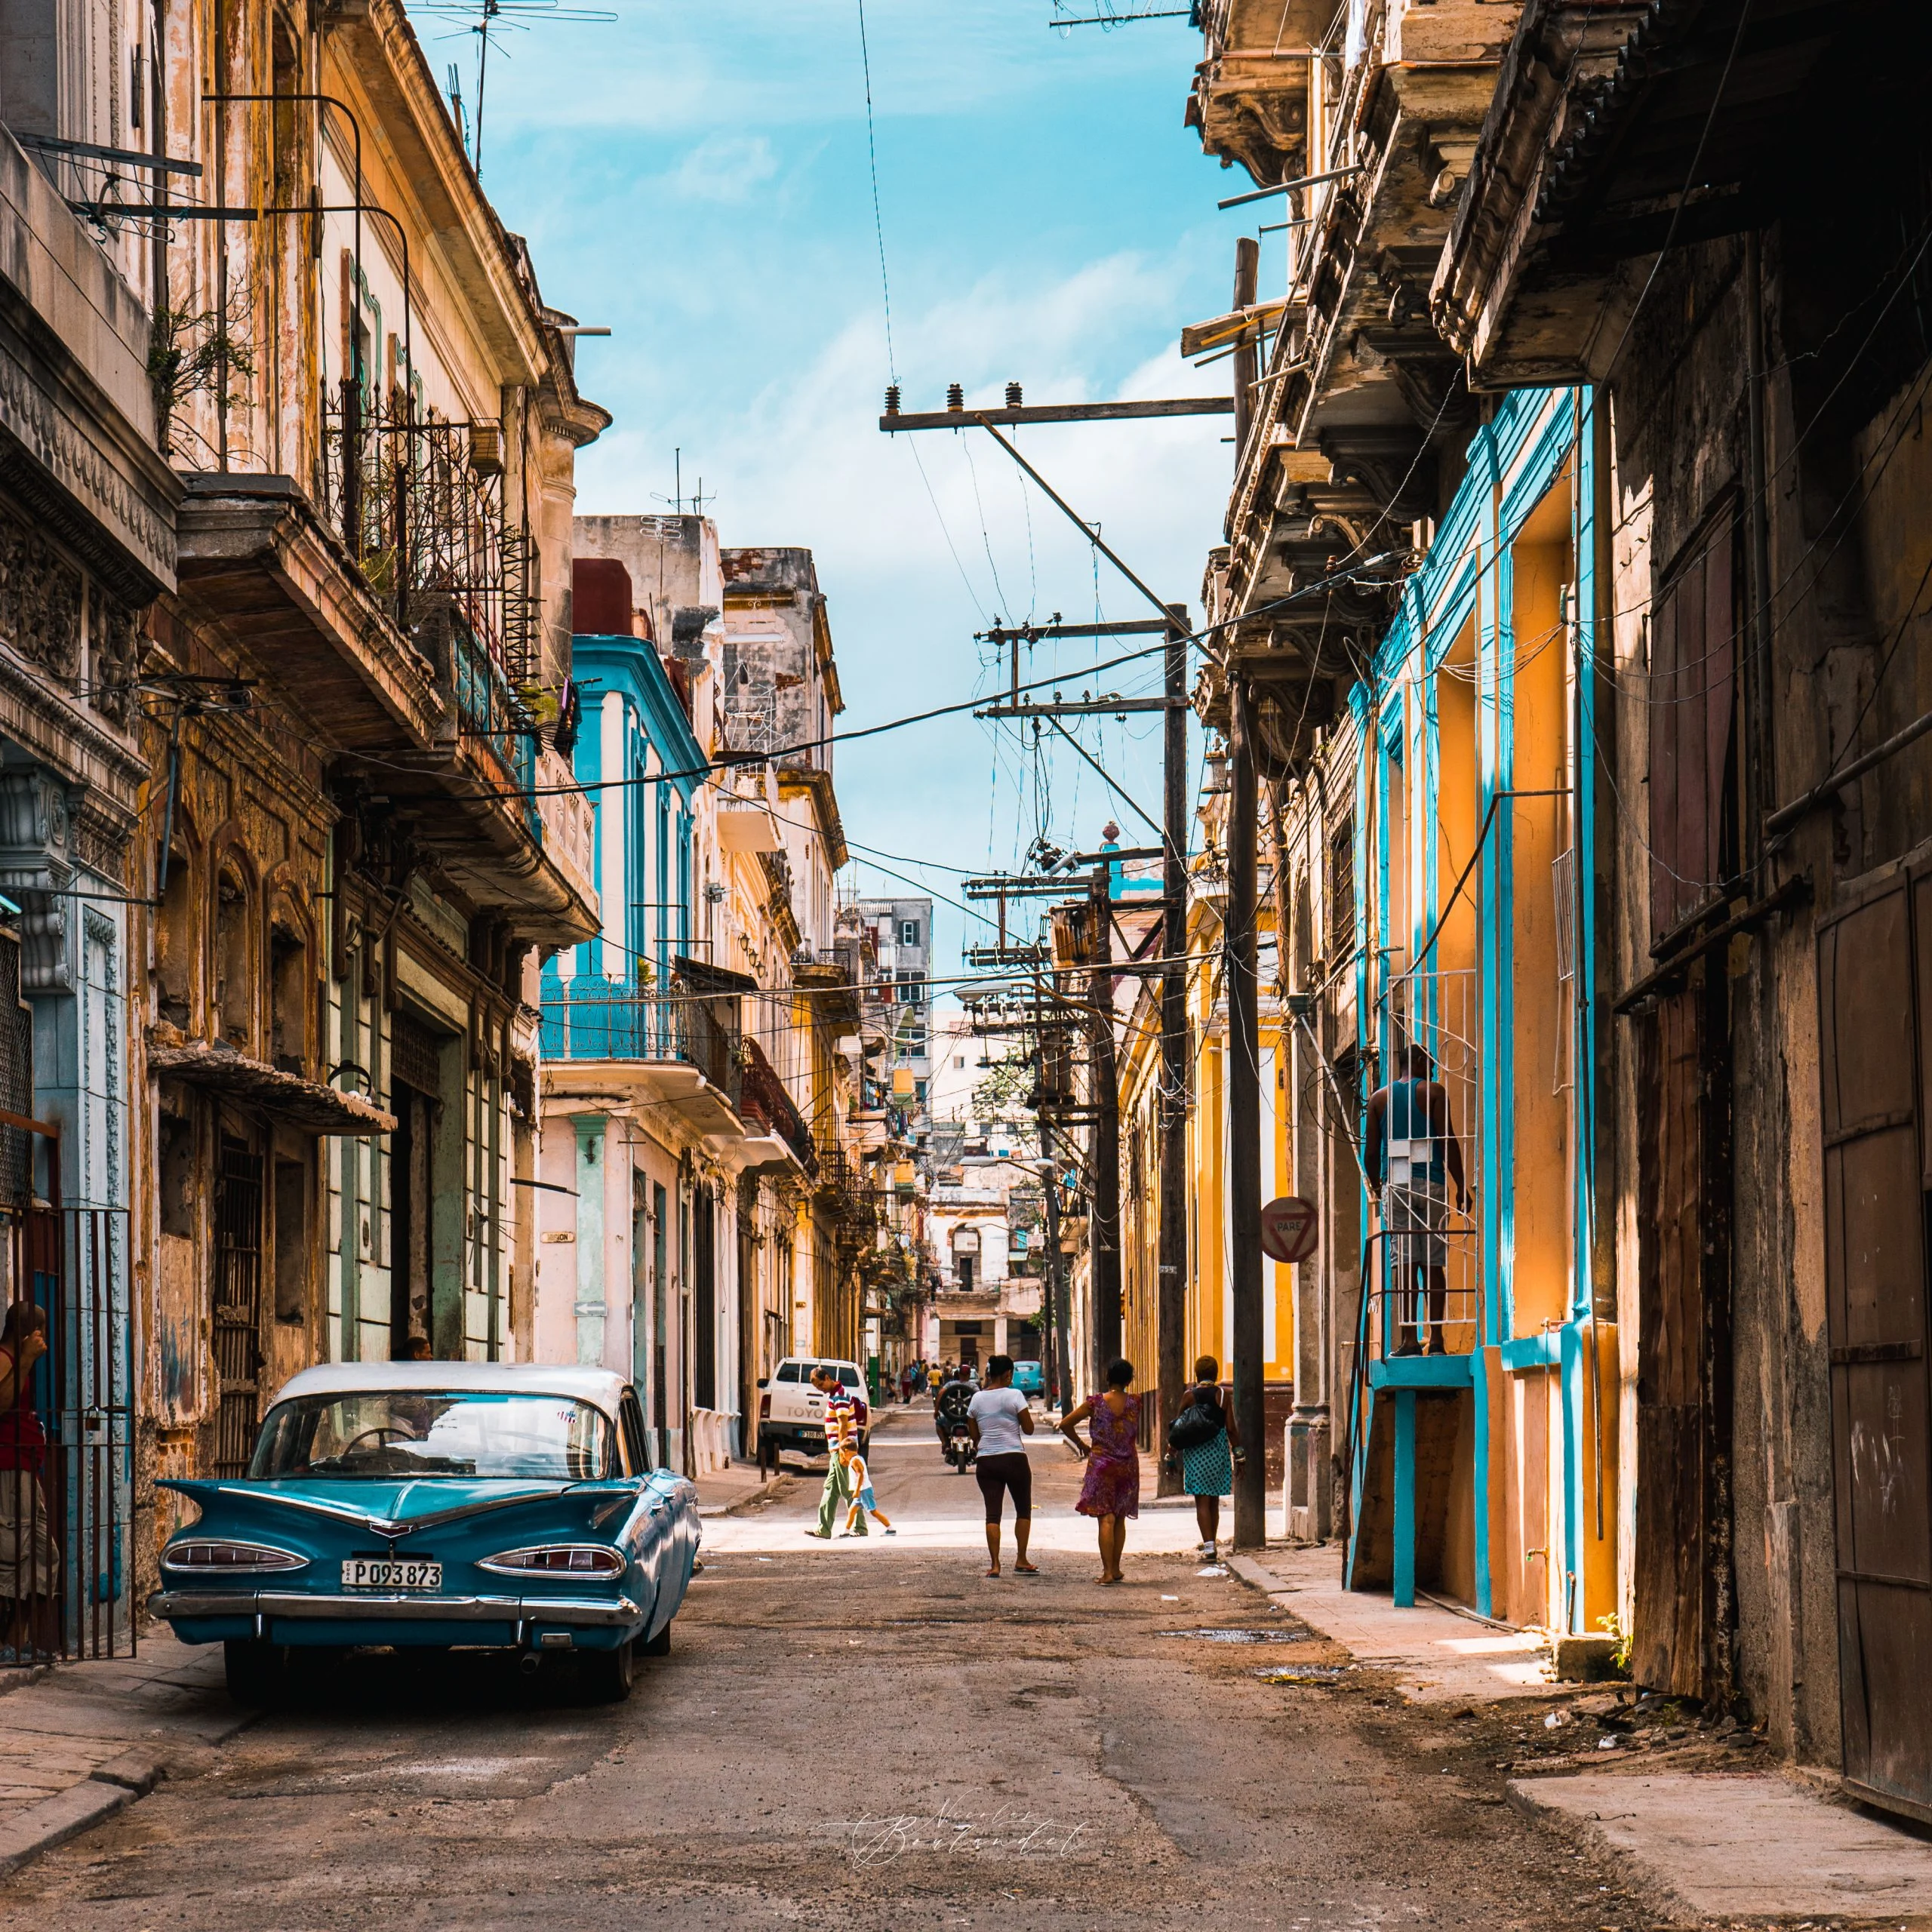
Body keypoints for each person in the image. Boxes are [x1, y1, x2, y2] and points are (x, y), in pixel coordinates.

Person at [1365, 1042, 1468, 1355]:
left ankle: (1409, 1339)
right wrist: (1461, 1185)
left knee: (1405, 1263)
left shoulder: (1378, 1099)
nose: (1434, 1069)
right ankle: (1436, 1339)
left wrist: (1376, 1184)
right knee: (1434, 1263)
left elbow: (1371, 1152)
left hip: (1396, 1188)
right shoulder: (1434, 1093)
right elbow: (1447, 1140)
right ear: (1421, 1062)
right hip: (1433, 1185)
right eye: (1431, 1063)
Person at [0, 1301, 57, 1661]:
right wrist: (24, 1361)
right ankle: (7, 1646)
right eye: (41, 1331)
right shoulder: (6, 1359)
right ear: (29, 1333)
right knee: (10, 1558)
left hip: (25, 1472)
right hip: (7, 1471)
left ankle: (17, 1642)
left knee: (41, 1557)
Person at [1060, 1357, 1141, 1585]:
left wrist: (1082, 1445)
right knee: (1120, 1517)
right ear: (1129, 1380)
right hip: (1127, 1466)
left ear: (1108, 1378)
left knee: (1106, 1518)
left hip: (1101, 1465)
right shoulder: (1136, 1402)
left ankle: (1106, 1572)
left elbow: (1066, 1423)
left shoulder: (1095, 1403)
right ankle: (1115, 1569)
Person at [968, 1354, 1036, 1577]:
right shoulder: (1015, 1395)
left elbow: (973, 1432)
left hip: (987, 1460)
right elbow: (1029, 1429)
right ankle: (1021, 1559)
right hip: (1014, 1458)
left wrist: (985, 1446)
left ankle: (995, 1564)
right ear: (1008, 1374)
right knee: (1023, 1509)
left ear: (988, 1373)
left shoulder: (977, 1398)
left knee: (992, 1514)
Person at [1171, 1355, 1243, 1560]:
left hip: (1196, 1453)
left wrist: (1171, 1453)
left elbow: (1179, 1427)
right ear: (1216, 1373)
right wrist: (1239, 1456)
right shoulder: (1222, 1395)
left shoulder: (1189, 1396)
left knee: (1201, 1502)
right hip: (1217, 1451)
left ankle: (1209, 1546)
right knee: (1213, 1501)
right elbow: (1231, 1428)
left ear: (1197, 1373)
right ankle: (1212, 1544)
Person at [804, 1365, 857, 1540]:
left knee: (847, 1488)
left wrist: (843, 1450)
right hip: (837, 1448)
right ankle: (824, 1528)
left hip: (842, 1449)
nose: (820, 1389)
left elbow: (843, 1424)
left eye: (821, 1385)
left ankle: (859, 1526)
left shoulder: (840, 1396)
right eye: (817, 1387)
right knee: (831, 1489)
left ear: (828, 1378)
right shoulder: (835, 1395)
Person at [838, 1439, 894, 1537]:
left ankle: (890, 1529)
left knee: (874, 1511)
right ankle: (846, 1530)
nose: (843, 1456)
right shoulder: (858, 1458)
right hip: (862, 1491)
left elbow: (861, 1475)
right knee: (852, 1510)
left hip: (863, 1490)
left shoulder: (855, 1461)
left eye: (843, 1453)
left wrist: (857, 1490)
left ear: (847, 1451)